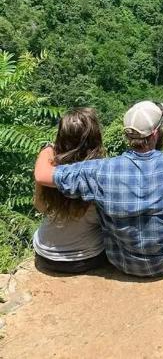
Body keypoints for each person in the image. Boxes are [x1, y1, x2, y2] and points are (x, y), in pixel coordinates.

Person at [34, 100, 163, 278]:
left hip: (125, 263)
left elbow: (42, 176)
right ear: (156, 133)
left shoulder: (101, 170)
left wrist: (49, 148)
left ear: (128, 136)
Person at [33, 108, 109, 274]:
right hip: (88, 258)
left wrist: (47, 150)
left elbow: (40, 206)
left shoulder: (50, 169)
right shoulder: (102, 172)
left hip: (46, 256)